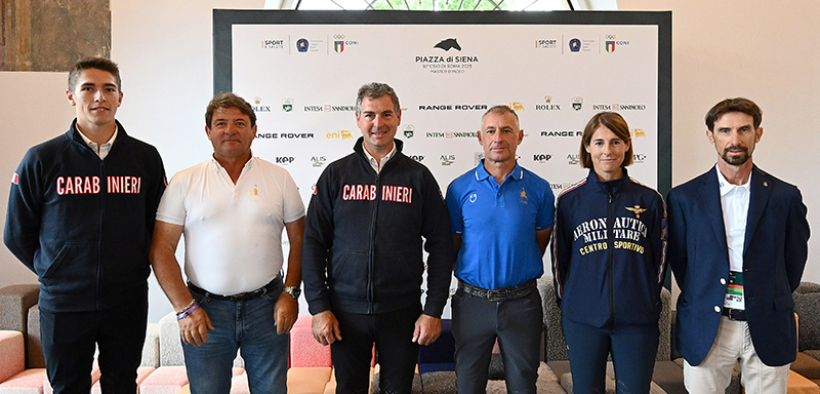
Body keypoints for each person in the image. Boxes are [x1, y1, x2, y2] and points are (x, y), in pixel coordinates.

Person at [3, 57, 166, 394]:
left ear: (120, 97)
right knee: (67, 387)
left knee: (122, 385)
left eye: (109, 89)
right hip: (63, 303)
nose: (99, 97)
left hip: (126, 299)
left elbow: (159, 226)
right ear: (71, 96)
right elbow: (16, 233)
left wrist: (134, 265)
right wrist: (54, 270)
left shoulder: (145, 158)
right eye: (88, 88)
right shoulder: (42, 158)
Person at [302, 82, 454, 394]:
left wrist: (433, 310)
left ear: (398, 117)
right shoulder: (335, 175)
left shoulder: (419, 177)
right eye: (369, 115)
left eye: (386, 114)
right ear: (358, 119)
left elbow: (441, 245)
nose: (377, 123)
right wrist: (318, 307)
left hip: (402, 312)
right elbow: (314, 242)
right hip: (345, 313)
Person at [149, 92, 305, 394]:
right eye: (221, 123)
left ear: (254, 130)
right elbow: (161, 249)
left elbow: (300, 238)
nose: (230, 130)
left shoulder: (279, 177)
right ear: (208, 131)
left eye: (239, 123)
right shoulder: (184, 181)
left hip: (268, 308)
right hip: (204, 311)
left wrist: (290, 292)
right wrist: (184, 308)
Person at [666, 98, 810, 394]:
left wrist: (767, 294)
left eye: (744, 130)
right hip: (708, 324)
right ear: (711, 136)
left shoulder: (785, 196)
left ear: (758, 134)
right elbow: (681, 261)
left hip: (768, 322)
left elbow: (794, 259)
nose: (735, 140)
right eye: (725, 131)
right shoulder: (684, 198)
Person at [552, 112, 666, 394]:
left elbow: (660, 260)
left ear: (627, 145)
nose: (607, 151)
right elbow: (559, 261)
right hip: (583, 320)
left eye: (615, 142)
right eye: (599, 142)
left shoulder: (649, 200)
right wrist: (572, 304)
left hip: (637, 320)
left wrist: (647, 300)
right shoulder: (569, 202)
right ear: (587, 147)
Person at [445, 105, 554, 393]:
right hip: (472, 303)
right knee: (468, 385)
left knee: (523, 386)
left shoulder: (539, 189)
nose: (498, 138)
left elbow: (539, 241)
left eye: (506, 130)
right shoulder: (459, 189)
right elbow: (454, 244)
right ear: (480, 137)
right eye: (491, 131)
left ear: (520, 136)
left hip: (522, 303)